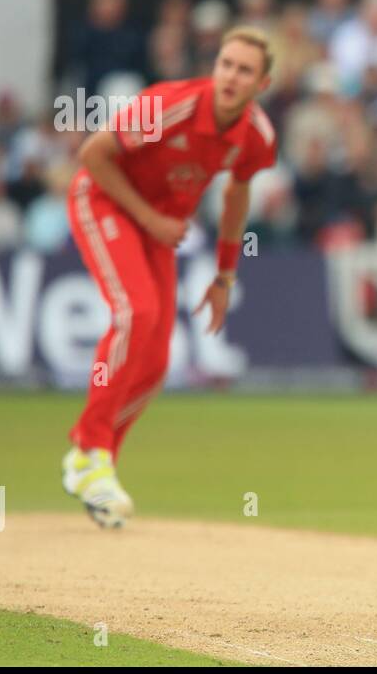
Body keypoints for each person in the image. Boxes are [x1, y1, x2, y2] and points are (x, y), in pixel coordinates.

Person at [62, 28, 277, 527]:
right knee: (136, 312)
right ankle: (90, 448)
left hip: (158, 224)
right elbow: (94, 154)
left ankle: (96, 464)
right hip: (105, 201)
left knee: (157, 361)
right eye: (225, 63)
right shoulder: (171, 105)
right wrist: (149, 217)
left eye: (244, 70)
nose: (230, 76)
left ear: (261, 84)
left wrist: (224, 276)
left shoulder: (256, 135)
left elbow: (236, 194)